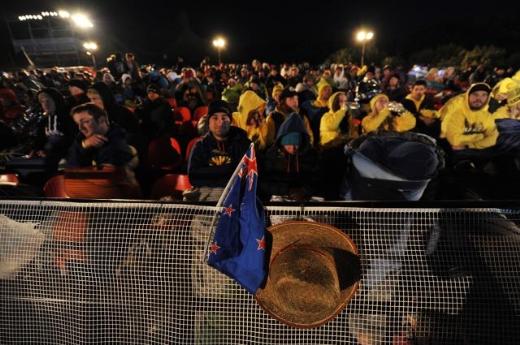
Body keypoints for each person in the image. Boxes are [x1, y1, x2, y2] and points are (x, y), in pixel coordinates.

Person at [187, 100, 250, 201]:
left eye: (224, 118)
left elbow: (246, 174)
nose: (220, 122)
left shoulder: (243, 143)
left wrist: (211, 174)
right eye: (215, 118)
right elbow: (194, 175)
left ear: (231, 121)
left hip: (235, 194)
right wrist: (228, 170)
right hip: (206, 194)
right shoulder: (200, 146)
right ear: (209, 121)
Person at [259, 113, 319, 202]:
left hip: (305, 200)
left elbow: (318, 178)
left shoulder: (310, 155)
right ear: (282, 143)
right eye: (288, 144)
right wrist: (286, 190)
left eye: (296, 144)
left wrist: (304, 190)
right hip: (278, 200)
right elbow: (264, 182)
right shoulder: (272, 155)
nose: (293, 148)